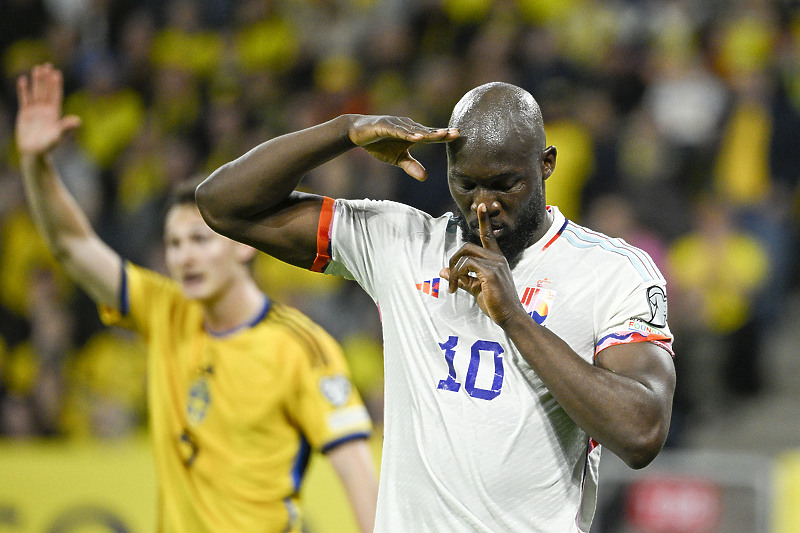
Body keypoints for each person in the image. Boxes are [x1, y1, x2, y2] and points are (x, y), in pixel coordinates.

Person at [196, 81, 677, 532]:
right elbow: (222, 205)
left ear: (546, 164)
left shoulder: (610, 272)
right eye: (466, 185)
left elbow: (641, 432)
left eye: (505, 185)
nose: (483, 205)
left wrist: (513, 316)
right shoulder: (400, 244)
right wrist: (342, 131)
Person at [15, 63, 378, 533]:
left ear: (245, 246)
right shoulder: (166, 310)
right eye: (174, 244)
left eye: (200, 241)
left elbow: (355, 468)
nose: (184, 257)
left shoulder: (298, 348)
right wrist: (36, 164)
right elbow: (72, 245)